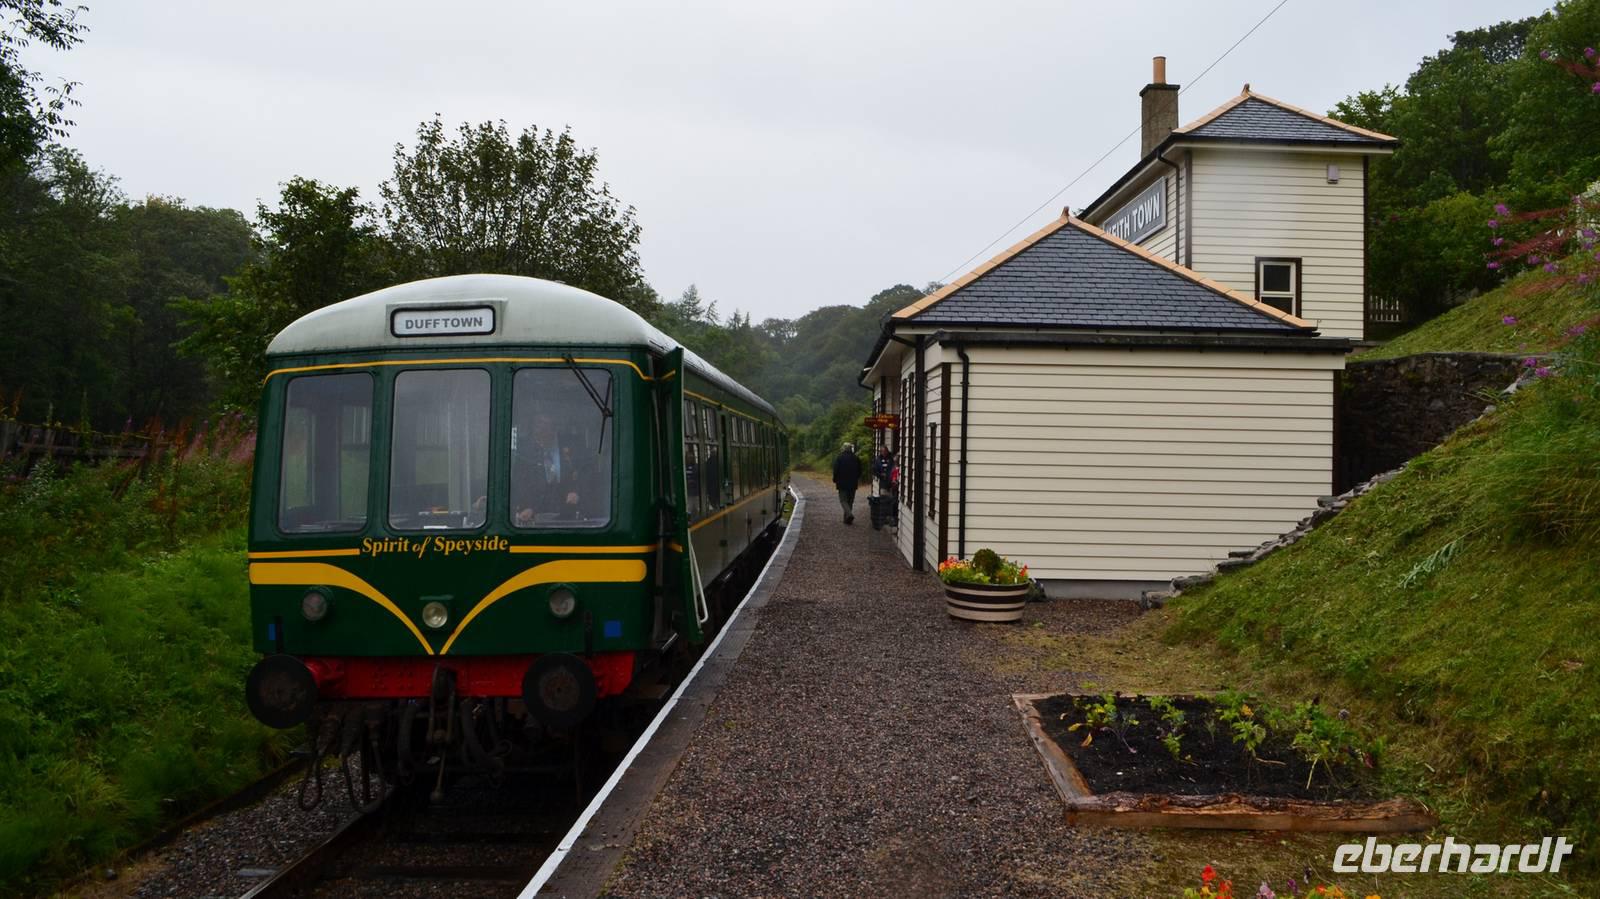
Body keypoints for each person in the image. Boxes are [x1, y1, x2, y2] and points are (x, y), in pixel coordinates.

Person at [832, 442, 862, 524]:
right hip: (853, 483)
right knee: (850, 501)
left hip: (842, 483)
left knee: (843, 501)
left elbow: (836, 470)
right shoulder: (856, 458)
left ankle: (849, 514)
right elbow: (859, 470)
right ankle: (847, 519)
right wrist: (856, 478)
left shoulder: (839, 458)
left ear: (844, 448)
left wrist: (835, 479)